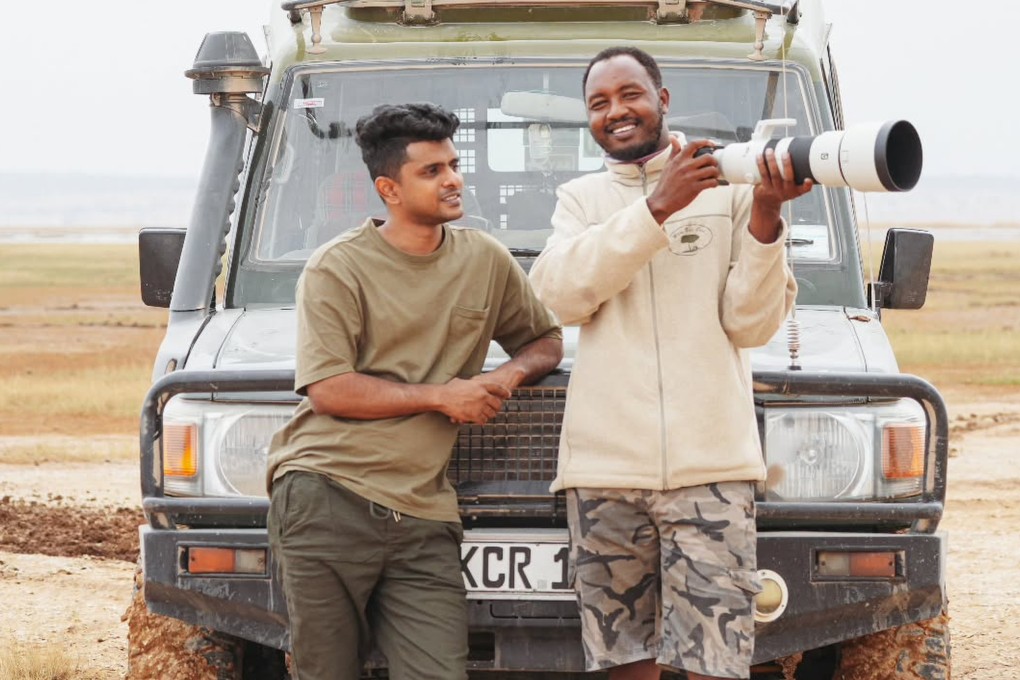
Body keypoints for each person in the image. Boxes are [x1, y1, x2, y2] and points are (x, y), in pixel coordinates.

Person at [528, 47, 813, 680]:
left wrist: (766, 215)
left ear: (664, 98)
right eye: (598, 103)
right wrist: (656, 207)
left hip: (711, 467)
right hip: (604, 469)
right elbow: (558, 295)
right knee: (622, 658)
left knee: (715, 658)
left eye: (630, 94)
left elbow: (752, 323)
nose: (616, 112)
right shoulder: (578, 200)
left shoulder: (732, 186)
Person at [266, 102, 563, 680]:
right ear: (389, 189)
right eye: (432, 171)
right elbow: (329, 389)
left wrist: (504, 376)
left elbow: (545, 340)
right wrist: (442, 396)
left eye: (453, 165)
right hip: (327, 495)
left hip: (424, 512)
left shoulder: (485, 258)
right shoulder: (337, 268)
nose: (453, 179)